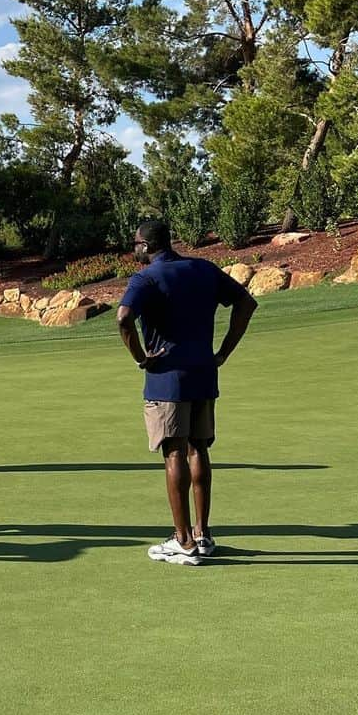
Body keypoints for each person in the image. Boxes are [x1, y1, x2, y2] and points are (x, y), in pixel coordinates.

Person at [117, 219, 256, 567]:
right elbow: (246, 304)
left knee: (174, 452)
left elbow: (123, 319)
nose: (133, 249)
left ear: (147, 246)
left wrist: (141, 358)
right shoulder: (203, 268)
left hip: (166, 377)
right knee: (199, 449)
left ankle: (183, 541)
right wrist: (222, 353)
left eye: (135, 243)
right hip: (203, 373)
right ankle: (203, 534)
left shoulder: (146, 278)